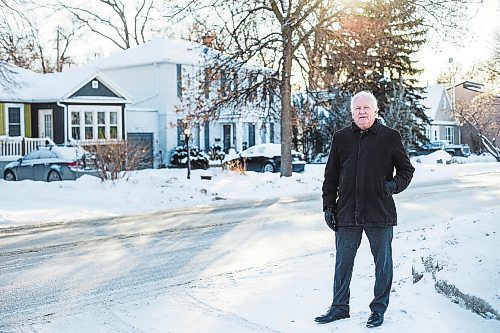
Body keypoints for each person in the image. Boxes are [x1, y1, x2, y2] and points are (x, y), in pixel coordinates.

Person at [315, 91, 415, 328]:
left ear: (375, 111)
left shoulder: (390, 137)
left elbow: (406, 171)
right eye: (357, 108)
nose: (362, 112)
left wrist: (390, 186)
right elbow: (330, 177)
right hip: (347, 212)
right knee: (343, 263)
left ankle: (378, 309)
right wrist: (328, 206)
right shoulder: (341, 138)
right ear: (352, 113)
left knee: (383, 264)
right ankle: (339, 307)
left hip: (379, 212)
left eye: (366, 108)